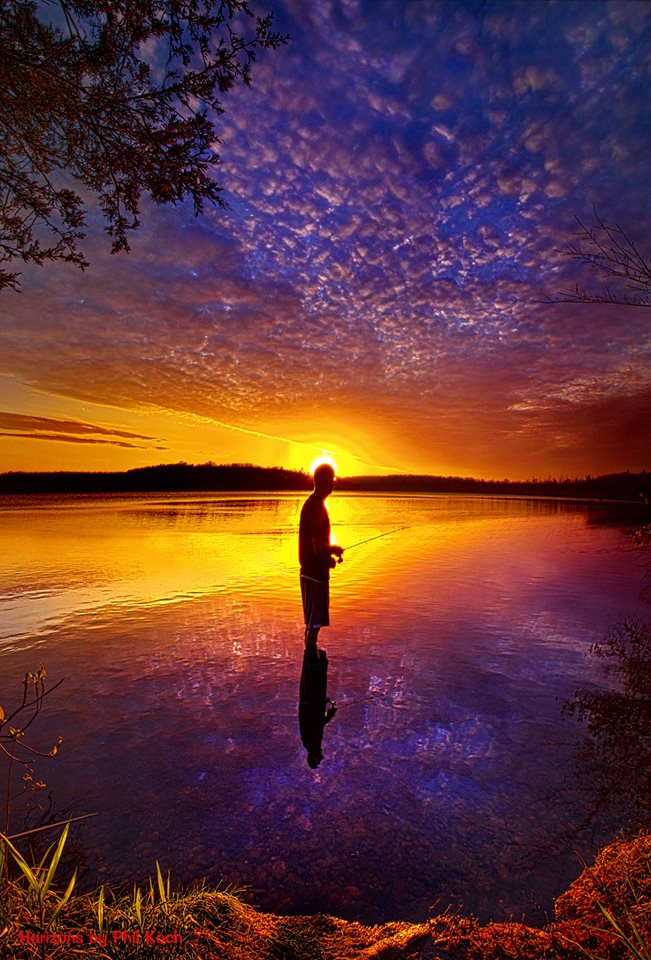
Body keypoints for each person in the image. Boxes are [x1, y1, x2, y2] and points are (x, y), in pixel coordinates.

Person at [299, 462, 344, 650]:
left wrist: (328, 557)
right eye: (332, 478)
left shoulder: (313, 504)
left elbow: (315, 547)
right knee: (315, 624)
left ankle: (311, 659)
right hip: (314, 576)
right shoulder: (316, 506)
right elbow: (317, 547)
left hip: (312, 573)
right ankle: (311, 659)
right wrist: (332, 549)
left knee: (312, 623)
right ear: (323, 480)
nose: (334, 483)